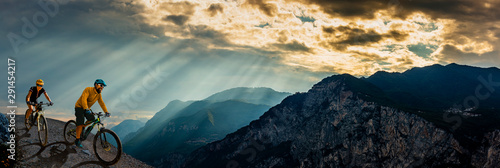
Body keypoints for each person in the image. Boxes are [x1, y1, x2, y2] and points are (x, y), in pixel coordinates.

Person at [74, 79, 110, 148]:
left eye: (103, 86)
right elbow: (83, 99)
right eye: (101, 85)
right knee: (80, 123)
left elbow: (101, 103)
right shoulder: (88, 89)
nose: (102, 87)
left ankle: (83, 127)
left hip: (87, 108)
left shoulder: (99, 95)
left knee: (92, 118)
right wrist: (86, 108)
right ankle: (77, 140)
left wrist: (106, 112)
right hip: (79, 106)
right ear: (96, 85)